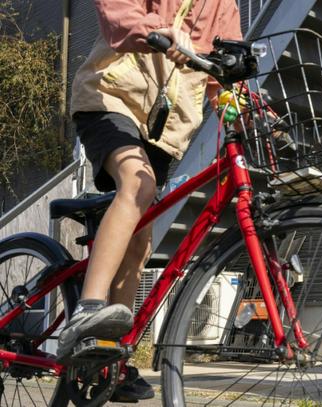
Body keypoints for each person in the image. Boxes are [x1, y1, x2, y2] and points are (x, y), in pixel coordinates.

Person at [57, 0, 241, 402]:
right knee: (137, 187)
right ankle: (88, 310)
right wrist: (159, 31)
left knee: (140, 240)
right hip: (110, 97)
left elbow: (223, 75)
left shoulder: (224, 5)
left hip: (163, 130)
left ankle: (113, 357)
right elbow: (115, 12)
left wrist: (244, 106)